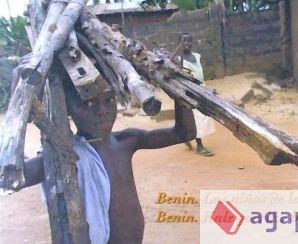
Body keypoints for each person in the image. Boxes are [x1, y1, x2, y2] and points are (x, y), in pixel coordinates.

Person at [15, 65, 197, 244]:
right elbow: (12, 175)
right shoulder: (65, 157)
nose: (102, 111)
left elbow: (185, 133)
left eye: (109, 100)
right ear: (68, 107)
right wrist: (18, 111)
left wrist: (176, 88)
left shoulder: (126, 141)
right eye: (88, 103)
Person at [173, 32, 216, 157]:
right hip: (190, 90)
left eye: (189, 41)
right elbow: (169, 61)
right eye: (184, 41)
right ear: (180, 43)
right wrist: (178, 49)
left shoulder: (197, 56)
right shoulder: (178, 59)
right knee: (198, 116)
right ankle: (200, 145)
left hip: (201, 88)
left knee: (203, 115)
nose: (187, 43)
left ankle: (186, 136)